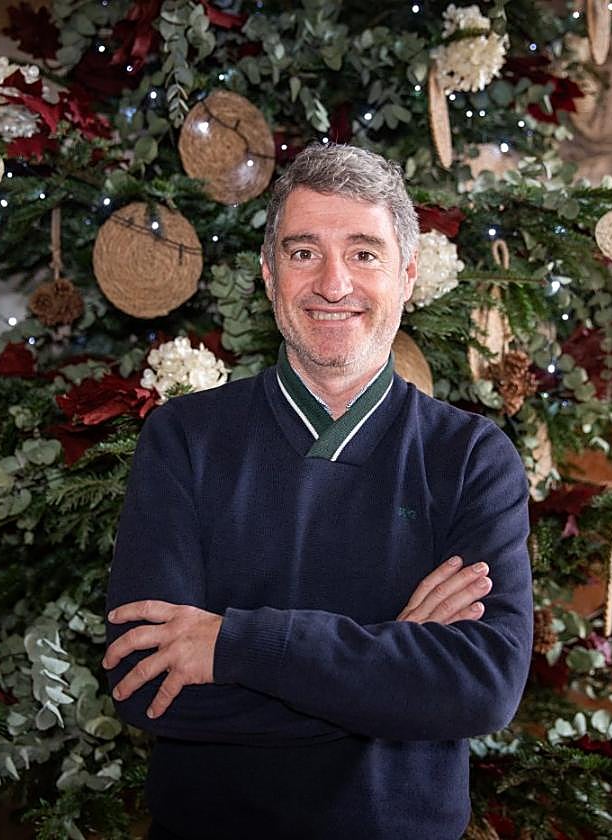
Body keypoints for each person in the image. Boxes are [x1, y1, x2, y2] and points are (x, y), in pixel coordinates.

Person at [103, 143, 533, 840]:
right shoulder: (184, 439)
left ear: (408, 275)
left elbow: (480, 689)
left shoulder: (471, 457)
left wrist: (238, 646)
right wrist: (396, 658)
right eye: (305, 253)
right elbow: (149, 687)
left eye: (364, 253)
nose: (334, 284)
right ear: (269, 276)